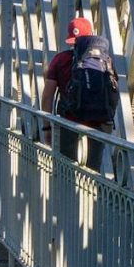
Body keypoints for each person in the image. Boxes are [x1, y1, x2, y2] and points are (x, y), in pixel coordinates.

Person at [41, 17, 119, 171]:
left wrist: (47, 127)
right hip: (96, 126)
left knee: (66, 172)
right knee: (91, 174)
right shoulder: (105, 61)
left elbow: (47, 96)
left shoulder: (60, 59)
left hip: (68, 124)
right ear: (91, 36)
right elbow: (112, 91)